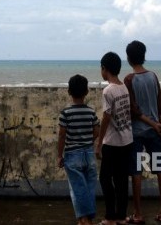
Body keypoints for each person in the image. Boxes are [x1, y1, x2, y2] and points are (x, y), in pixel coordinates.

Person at [124, 40, 161, 224]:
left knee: (136, 172)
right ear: (144, 56)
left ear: (128, 58)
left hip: (136, 133)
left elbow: (133, 111)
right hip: (155, 131)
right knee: (160, 169)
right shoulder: (153, 76)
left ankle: (137, 214)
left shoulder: (129, 79)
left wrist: (152, 124)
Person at [96, 52, 134, 225]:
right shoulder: (123, 87)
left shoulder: (108, 91)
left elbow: (106, 117)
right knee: (121, 179)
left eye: (101, 68)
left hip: (112, 142)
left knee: (105, 178)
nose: (101, 72)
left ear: (105, 69)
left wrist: (99, 143)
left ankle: (110, 216)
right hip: (127, 140)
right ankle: (121, 216)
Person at [58, 74, 100, 225]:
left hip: (72, 154)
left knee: (78, 190)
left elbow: (62, 136)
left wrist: (59, 155)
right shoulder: (91, 111)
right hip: (88, 154)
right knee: (88, 189)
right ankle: (85, 219)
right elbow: (97, 131)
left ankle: (84, 220)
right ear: (87, 92)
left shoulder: (65, 113)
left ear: (69, 92)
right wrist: (89, 141)